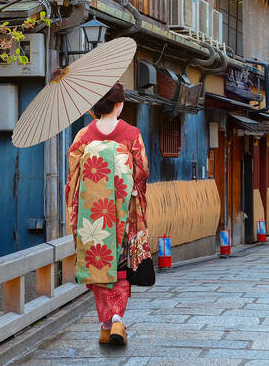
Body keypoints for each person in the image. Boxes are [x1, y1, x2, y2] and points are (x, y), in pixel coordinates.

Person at [64, 82, 151, 345]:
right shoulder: (131, 133)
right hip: (122, 215)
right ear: (118, 105)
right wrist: (126, 182)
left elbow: (73, 175)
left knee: (97, 266)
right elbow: (143, 170)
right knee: (120, 268)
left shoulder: (83, 136)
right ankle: (116, 320)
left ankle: (105, 324)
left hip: (93, 218)